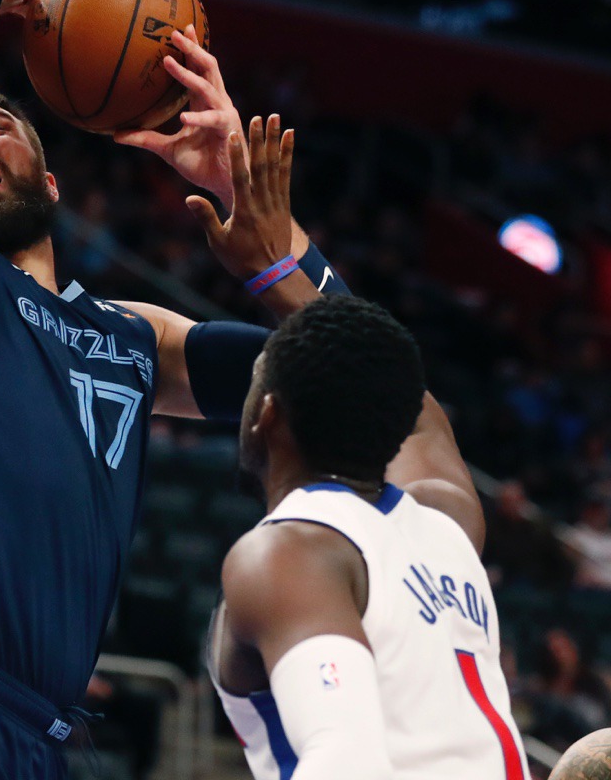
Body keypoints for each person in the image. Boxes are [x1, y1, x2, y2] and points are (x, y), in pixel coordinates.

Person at [0, 0, 348, 775]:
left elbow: (364, 379)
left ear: (51, 186)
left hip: (43, 734)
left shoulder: (134, 335)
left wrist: (246, 200)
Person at [206, 289, 530, 776]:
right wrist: (276, 273)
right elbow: (414, 408)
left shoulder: (286, 553)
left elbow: (344, 759)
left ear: (267, 415)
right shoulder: (448, 521)